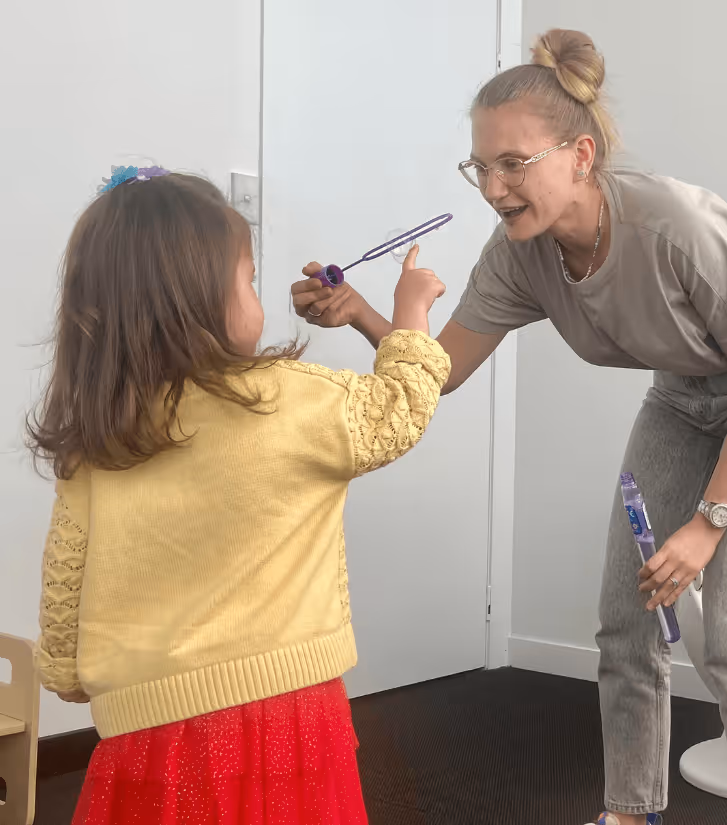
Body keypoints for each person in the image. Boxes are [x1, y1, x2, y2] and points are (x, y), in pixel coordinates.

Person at [292, 29, 727, 825]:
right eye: (481, 166)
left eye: (514, 163)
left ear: (580, 157)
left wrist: (708, 524)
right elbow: (439, 373)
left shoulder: (672, 223)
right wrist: (361, 314)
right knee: (626, 624)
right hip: (684, 393)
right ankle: (629, 813)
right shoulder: (519, 256)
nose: (492, 185)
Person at [29, 167, 449, 824]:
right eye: (249, 280)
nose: (258, 295)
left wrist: (67, 676)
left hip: (148, 737)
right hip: (292, 721)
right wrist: (410, 313)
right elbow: (400, 408)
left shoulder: (100, 437)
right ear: (199, 300)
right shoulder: (289, 398)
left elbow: (65, 584)